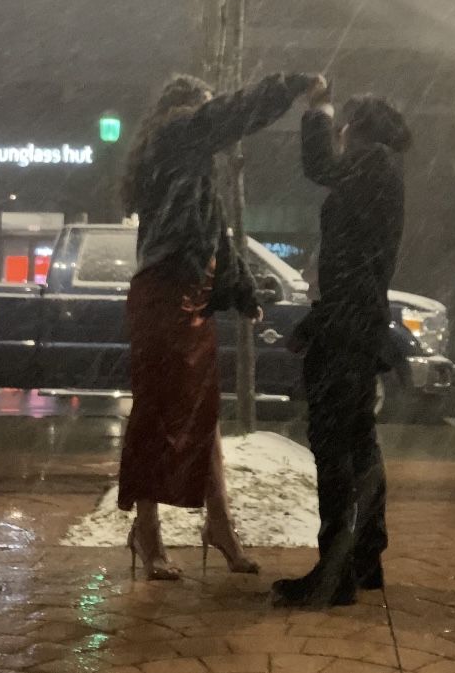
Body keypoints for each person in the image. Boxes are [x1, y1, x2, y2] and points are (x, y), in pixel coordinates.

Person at [118, 71, 320, 580]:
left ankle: (220, 525)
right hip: (164, 294)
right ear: (188, 109)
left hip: (191, 297)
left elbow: (216, 234)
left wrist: (242, 292)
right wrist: (289, 85)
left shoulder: (191, 165)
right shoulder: (177, 135)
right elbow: (226, 115)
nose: (217, 122)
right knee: (157, 411)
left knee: (202, 413)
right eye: (207, 107)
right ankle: (147, 530)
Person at [273, 82, 412, 606]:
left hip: (350, 326)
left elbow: (318, 167)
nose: (339, 134)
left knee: (334, 446)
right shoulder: (380, 173)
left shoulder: (371, 165)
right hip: (354, 320)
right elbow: (352, 267)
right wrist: (316, 323)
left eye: (342, 126)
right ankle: (363, 558)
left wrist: (316, 110)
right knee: (356, 442)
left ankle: (335, 572)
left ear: (356, 130)